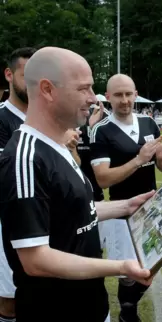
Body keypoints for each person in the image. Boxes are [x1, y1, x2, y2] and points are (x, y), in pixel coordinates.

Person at [0, 47, 154, 322]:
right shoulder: (24, 158)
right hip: (58, 311)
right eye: (83, 88)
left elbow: (72, 210)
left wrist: (126, 206)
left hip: (90, 304)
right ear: (47, 89)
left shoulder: (58, 144)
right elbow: (35, 260)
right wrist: (119, 266)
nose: (93, 98)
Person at [90, 73, 162, 322]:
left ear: (136, 94)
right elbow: (103, 179)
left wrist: (161, 157)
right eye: (118, 95)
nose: (124, 100)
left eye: (128, 94)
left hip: (152, 209)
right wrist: (139, 159)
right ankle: (128, 313)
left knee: (153, 265)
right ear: (108, 97)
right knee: (127, 273)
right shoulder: (101, 131)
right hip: (121, 213)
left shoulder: (149, 123)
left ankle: (128, 308)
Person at [0, 47, 36, 322]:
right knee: (9, 301)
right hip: (8, 222)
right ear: (9, 75)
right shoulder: (1, 118)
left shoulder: (45, 118)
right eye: (27, 76)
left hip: (42, 220)